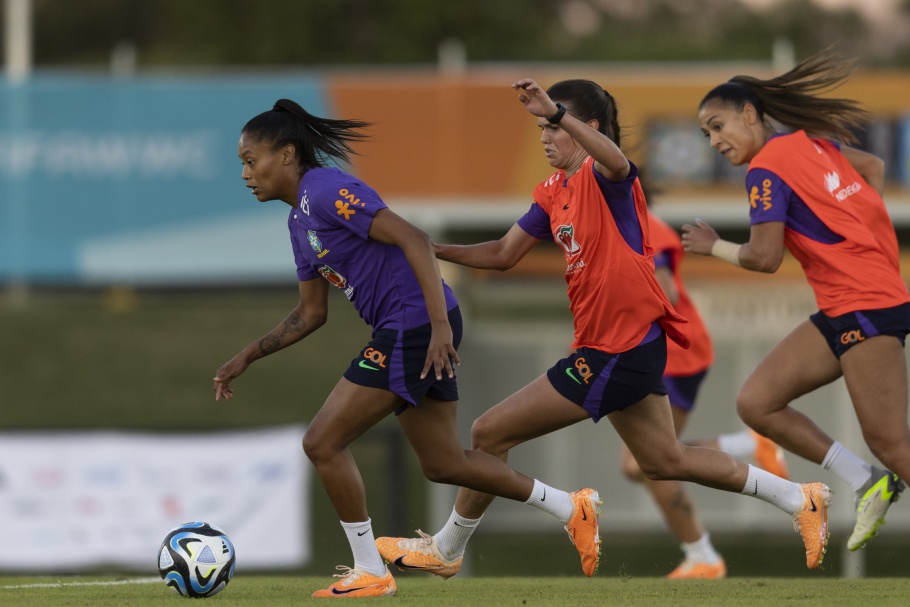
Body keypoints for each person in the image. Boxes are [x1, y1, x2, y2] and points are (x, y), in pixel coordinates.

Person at [376, 77, 832, 578]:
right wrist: (428, 248)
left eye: (553, 126)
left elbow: (617, 160)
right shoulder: (552, 192)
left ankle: (449, 548)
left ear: (586, 127)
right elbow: (503, 254)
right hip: (619, 349)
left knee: (488, 432)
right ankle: (798, 498)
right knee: (664, 461)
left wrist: (556, 113)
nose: (545, 137)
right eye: (541, 128)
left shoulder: (607, 176)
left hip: (618, 349)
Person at [212, 99, 602, 598]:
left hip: (414, 324)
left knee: (321, 442)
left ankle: (369, 569)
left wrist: (438, 325)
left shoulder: (326, 189)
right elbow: (312, 313)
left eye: (251, 160)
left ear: (287, 154)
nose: (246, 173)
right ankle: (572, 508)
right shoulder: (298, 224)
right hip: (416, 325)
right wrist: (248, 355)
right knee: (443, 464)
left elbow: (414, 238)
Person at [681, 48, 908, 553]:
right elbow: (872, 167)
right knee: (757, 402)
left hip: (863, 304)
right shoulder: (814, 146)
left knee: (894, 442)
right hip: (848, 303)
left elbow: (764, 258)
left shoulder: (765, 169)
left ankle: (876, 472)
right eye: (706, 135)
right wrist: (863, 239)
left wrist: (711, 245)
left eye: (719, 126)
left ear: (749, 114)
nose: (715, 141)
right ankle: (868, 479)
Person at [617, 208, 790, 579]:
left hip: (671, 354)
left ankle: (704, 556)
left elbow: (667, 292)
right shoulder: (610, 219)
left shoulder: (638, 221)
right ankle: (749, 449)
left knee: (644, 463)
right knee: (644, 464)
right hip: (663, 353)